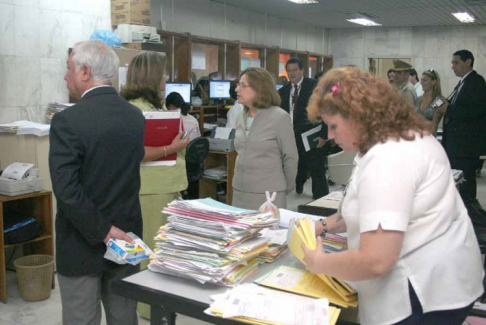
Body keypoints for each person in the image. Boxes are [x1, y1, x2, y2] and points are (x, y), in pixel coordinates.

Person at [301, 66, 483, 325]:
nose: (330, 136)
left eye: (333, 126)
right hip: (448, 278)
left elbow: (376, 260)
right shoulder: (391, 140)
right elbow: (369, 210)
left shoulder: (390, 157)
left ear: (357, 116)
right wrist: (322, 225)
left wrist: (320, 263)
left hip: (423, 293)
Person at [49, 40, 145, 325]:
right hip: (126, 239)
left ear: (85, 72)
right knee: (124, 316)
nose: (66, 76)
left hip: (81, 243)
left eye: (69, 69)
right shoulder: (135, 117)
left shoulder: (67, 121)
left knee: (82, 318)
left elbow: (67, 191)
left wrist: (103, 231)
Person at [120, 51, 189, 319]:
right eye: (162, 73)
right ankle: (150, 307)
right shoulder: (137, 110)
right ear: (151, 76)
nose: (166, 78)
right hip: (151, 190)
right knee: (151, 248)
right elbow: (135, 151)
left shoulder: (152, 106)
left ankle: (159, 302)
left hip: (163, 186)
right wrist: (171, 147)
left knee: (161, 248)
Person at [232, 67, 298, 210]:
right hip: (239, 191)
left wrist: (283, 187)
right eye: (238, 85)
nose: (237, 89)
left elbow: (291, 157)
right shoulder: (240, 116)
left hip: (268, 193)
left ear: (259, 88)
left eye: (242, 85)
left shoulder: (279, 117)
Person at [436, 49, 486, 227]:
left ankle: (469, 216)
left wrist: (448, 109)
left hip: (466, 145)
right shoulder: (463, 83)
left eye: (456, 63)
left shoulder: (476, 82)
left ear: (468, 62)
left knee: (465, 181)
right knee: (458, 179)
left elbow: (474, 112)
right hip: (457, 144)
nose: (452, 66)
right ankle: (461, 214)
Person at [279, 57, 329, 199]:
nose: (292, 73)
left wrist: (324, 135)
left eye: (295, 70)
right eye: (289, 71)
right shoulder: (283, 91)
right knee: (296, 166)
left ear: (302, 71)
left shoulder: (314, 87)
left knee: (317, 170)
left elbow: (326, 110)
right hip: (291, 135)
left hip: (312, 135)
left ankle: (320, 201)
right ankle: (299, 182)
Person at [416, 69, 445, 134]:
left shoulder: (439, 101)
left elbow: (434, 124)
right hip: (416, 135)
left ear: (433, 82)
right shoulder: (419, 99)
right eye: (421, 80)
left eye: (424, 80)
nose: (421, 82)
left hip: (429, 136)